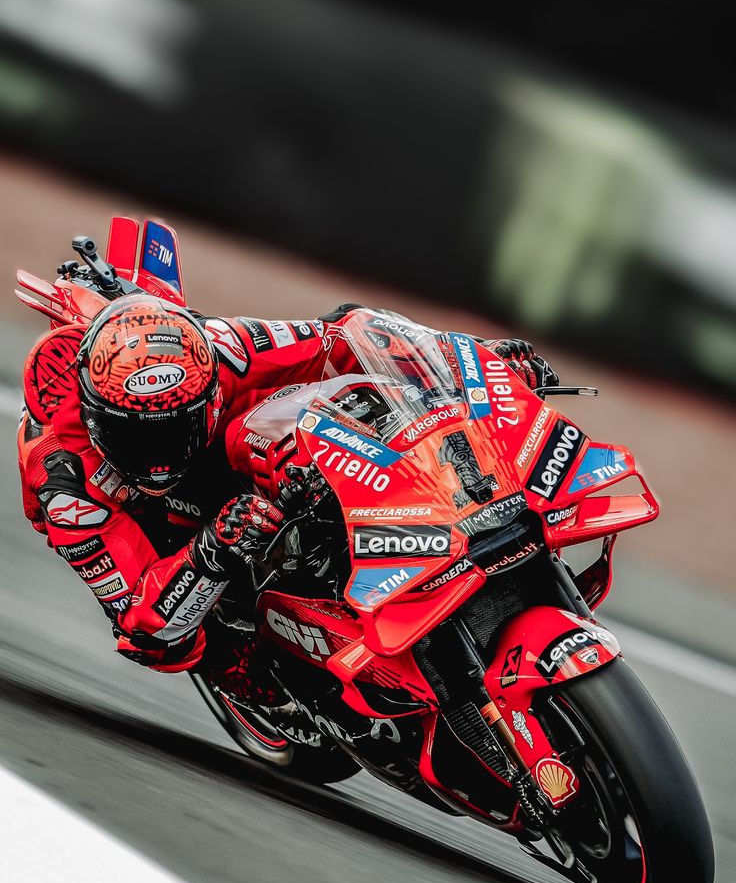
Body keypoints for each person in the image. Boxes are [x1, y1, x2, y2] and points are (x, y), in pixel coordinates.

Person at [17, 293, 558, 713]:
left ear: (205, 392)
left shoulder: (228, 348)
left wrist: (476, 361)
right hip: (150, 526)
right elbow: (144, 630)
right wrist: (210, 552)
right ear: (95, 419)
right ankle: (252, 678)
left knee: (338, 401)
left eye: (174, 430)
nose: (159, 458)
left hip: (231, 452)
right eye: (139, 437)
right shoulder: (64, 486)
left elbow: (344, 336)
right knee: (198, 649)